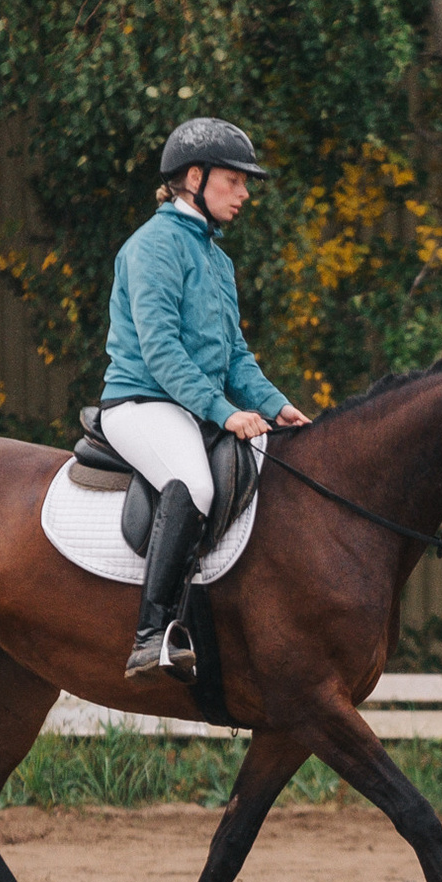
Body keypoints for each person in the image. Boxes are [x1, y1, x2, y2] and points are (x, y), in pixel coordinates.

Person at [100, 117, 311, 679]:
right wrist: (224, 412)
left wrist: (275, 405)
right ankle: (150, 634)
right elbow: (163, 351)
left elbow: (236, 357)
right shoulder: (152, 247)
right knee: (193, 482)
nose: (245, 194)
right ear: (195, 177)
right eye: (235, 180)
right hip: (140, 404)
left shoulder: (217, 260)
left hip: (187, 406)